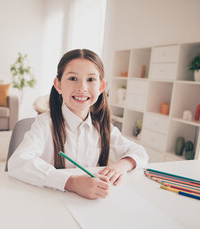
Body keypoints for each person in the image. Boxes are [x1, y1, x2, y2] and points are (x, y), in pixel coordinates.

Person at [8, 49, 148, 200]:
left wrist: (121, 166)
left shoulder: (101, 126)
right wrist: (71, 182)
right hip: (49, 200)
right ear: (58, 84)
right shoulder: (44, 123)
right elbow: (18, 162)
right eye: (73, 78)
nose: (82, 88)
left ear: (101, 87)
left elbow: (139, 152)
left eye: (91, 79)